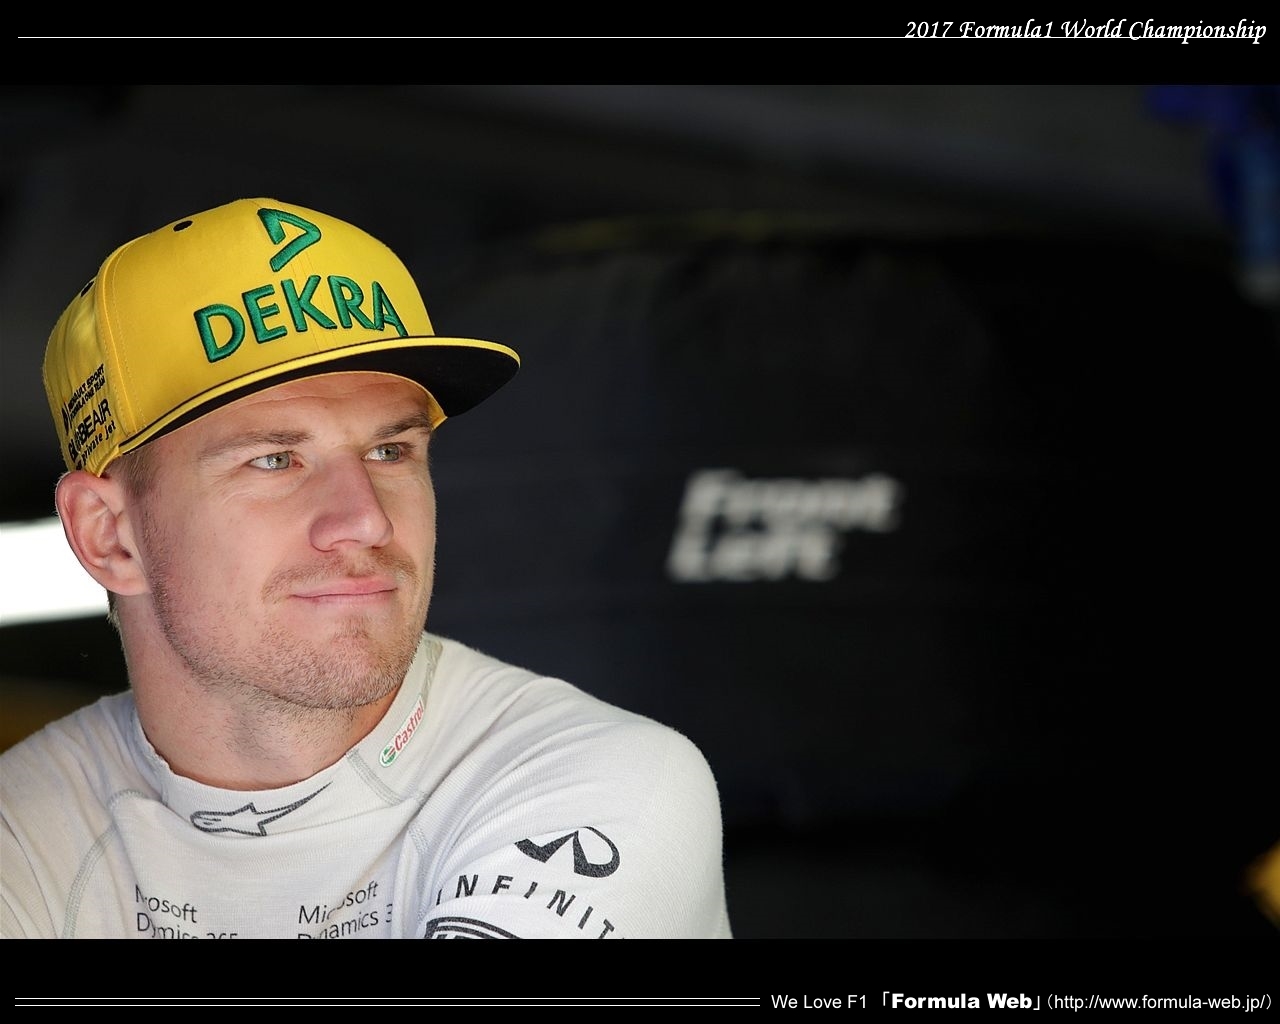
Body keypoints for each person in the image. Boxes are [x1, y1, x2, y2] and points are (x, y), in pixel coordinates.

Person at [1, 197, 731, 939]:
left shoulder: (595, 781)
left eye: (390, 451)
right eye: (275, 459)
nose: (367, 519)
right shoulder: (22, 834)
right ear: (111, 537)